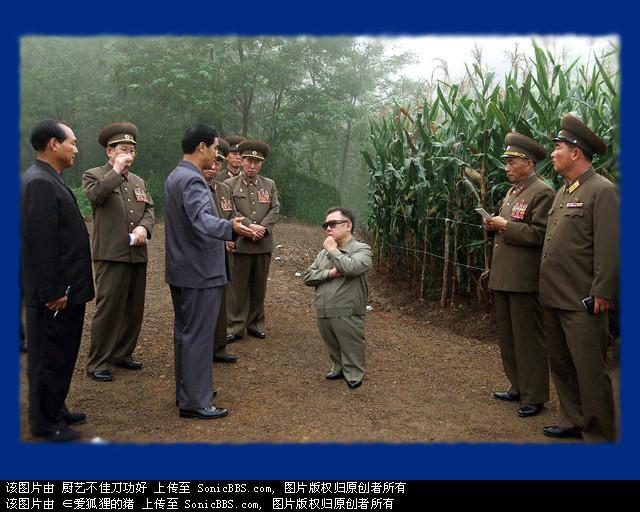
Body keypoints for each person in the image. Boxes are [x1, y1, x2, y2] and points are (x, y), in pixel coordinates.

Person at [164, 124, 255, 419]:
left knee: (186, 334)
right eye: (215, 148)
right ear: (201, 147)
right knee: (198, 337)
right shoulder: (192, 180)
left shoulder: (176, 175)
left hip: (184, 269)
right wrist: (231, 227)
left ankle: (189, 390)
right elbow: (201, 220)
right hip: (199, 272)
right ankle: (195, 401)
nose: (217, 155)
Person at [539, 114, 619, 442]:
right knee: (561, 365)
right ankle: (572, 420)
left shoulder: (602, 191)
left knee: (589, 371)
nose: (553, 153)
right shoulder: (563, 192)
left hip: (583, 300)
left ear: (575, 152)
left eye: (558, 147)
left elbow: (610, 246)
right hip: (553, 296)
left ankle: (600, 436)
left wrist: (603, 291)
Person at [21, 120, 95, 441]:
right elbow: (41, 243)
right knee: (50, 355)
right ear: (54, 144)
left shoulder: (49, 178)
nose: (76, 149)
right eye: (72, 142)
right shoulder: (39, 182)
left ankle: (55, 407)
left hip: (66, 288)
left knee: (61, 353)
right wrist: (52, 290)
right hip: (56, 294)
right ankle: (46, 422)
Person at [484, 132, 554, 417]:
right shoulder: (513, 192)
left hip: (524, 280)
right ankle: (517, 386)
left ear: (529, 162)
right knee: (509, 338)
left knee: (528, 340)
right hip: (504, 276)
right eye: (506, 162)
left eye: (512, 162)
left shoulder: (542, 192)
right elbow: (509, 228)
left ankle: (535, 395)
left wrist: (504, 226)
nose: (507, 167)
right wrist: (493, 226)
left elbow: (540, 234)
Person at [82, 122, 155, 382]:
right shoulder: (94, 175)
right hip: (111, 253)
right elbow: (96, 196)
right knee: (109, 308)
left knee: (134, 308)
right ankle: (98, 362)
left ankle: (123, 353)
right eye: (123, 149)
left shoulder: (138, 181)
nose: (129, 154)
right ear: (109, 151)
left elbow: (149, 209)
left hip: (137, 253)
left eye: (132, 150)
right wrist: (116, 170)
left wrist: (145, 228)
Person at [303, 207, 372, 389]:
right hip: (324, 308)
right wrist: (329, 273)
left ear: (348, 225)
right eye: (325, 225)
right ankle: (338, 367)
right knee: (331, 342)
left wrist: (333, 251)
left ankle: (354, 373)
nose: (328, 228)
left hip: (347, 309)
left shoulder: (361, 249)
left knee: (350, 342)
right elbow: (308, 277)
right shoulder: (323, 253)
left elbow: (351, 268)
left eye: (333, 224)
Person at [225, 140, 278, 341]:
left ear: (261, 164)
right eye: (249, 160)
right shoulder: (229, 185)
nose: (252, 165)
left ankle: (255, 323)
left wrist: (262, 228)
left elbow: (275, 208)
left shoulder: (269, 184)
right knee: (237, 288)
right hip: (241, 243)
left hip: (262, 244)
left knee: (258, 287)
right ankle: (235, 326)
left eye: (257, 162)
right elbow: (229, 210)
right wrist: (249, 226)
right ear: (241, 161)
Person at [202, 150, 239, 363]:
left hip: (224, 254)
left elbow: (231, 214)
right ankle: (203, 349)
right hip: (204, 256)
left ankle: (219, 347)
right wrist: (222, 236)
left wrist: (232, 234)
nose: (213, 167)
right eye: (210, 162)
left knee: (222, 299)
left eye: (217, 163)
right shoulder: (194, 188)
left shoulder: (224, 188)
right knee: (203, 303)